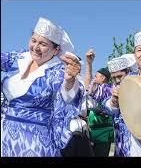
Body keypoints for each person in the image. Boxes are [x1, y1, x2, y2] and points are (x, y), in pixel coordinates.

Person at [1, 17, 83, 157]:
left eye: (43, 44)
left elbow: (68, 96)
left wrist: (69, 82)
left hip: (35, 140)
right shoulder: (18, 57)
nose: (36, 47)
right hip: (6, 136)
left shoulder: (57, 71)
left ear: (56, 50)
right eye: (33, 41)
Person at [100, 53, 137, 157]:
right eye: (114, 77)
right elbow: (107, 108)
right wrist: (114, 102)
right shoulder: (113, 87)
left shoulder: (138, 83)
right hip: (120, 138)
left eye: (120, 76)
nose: (117, 80)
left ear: (128, 72)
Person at [84, 49, 114, 157]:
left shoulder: (106, 88)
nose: (94, 78)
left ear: (103, 78)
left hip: (102, 132)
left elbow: (88, 88)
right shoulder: (108, 88)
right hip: (98, 130)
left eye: (96, 76)